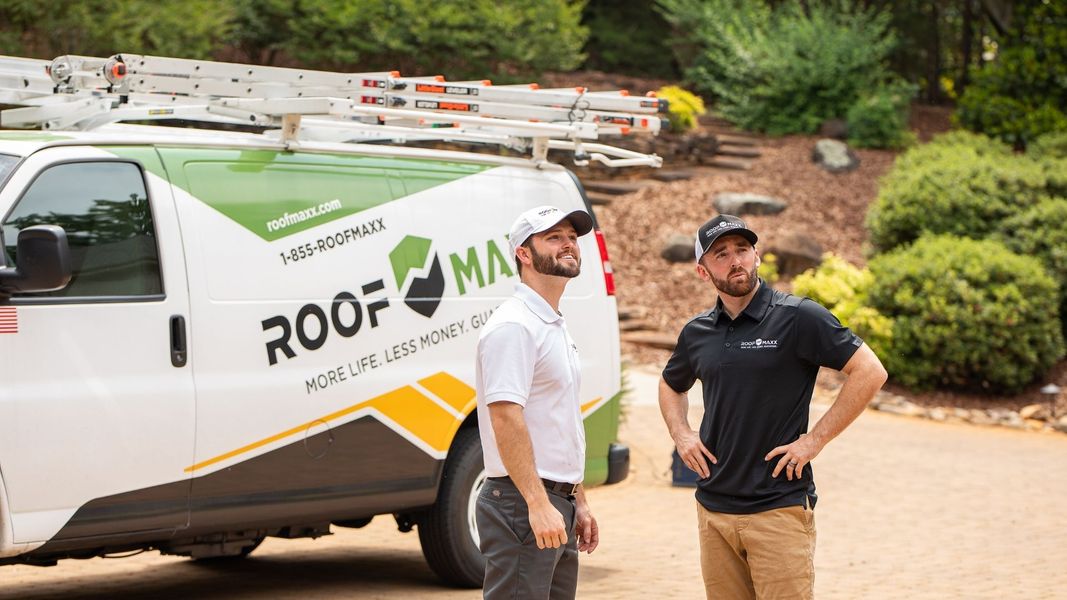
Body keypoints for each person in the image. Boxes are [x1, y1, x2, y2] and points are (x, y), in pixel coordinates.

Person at [659, 214, 888, 600]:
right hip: (714, 510)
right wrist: (682, 435)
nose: (736, 261)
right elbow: (669, 384)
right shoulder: (697, 332)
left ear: (757, 256)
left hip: (777, 509)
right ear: (702, 271)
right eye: (721, 254)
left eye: (743, 250)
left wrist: (814, 441)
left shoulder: (797, 317)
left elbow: (869, 370)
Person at [475, 205, 600, 600]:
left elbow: (557, 420)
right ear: (523, 255)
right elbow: (506, 417)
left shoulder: (551, 323)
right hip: (522, 503)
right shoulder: (515, 326)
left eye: (571, 237)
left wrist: (577, 499)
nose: (568, 244)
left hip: (553, 501)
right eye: (554, 237)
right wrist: (537, 502)